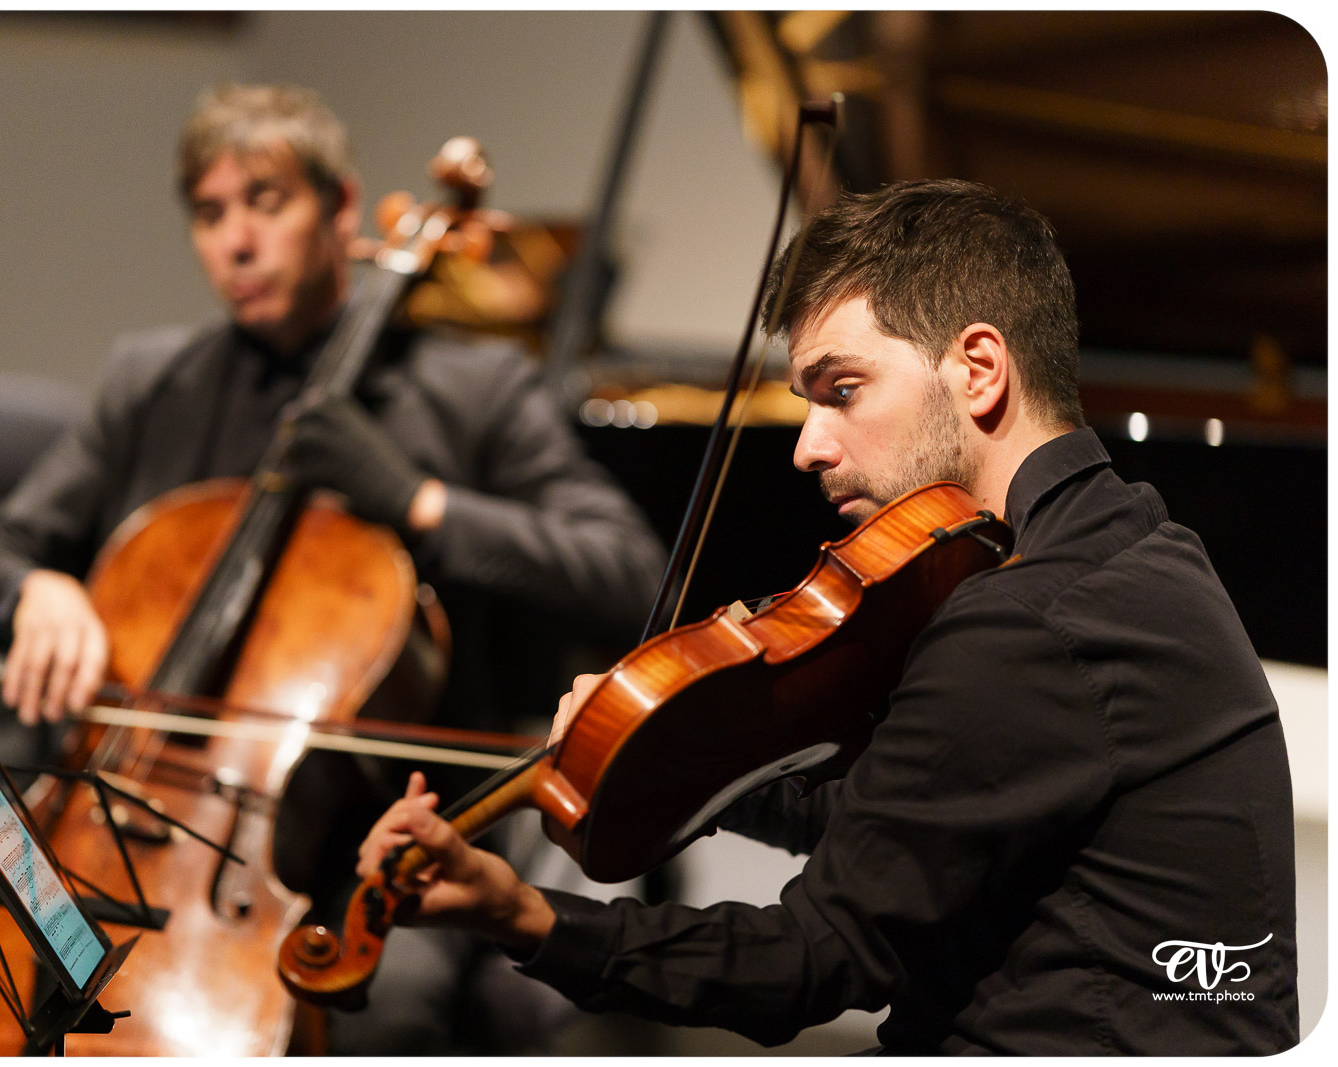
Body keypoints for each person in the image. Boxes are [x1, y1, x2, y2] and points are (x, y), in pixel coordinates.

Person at [356, 179, 1300, 1055]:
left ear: (978, 369)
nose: (808, 447)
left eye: (841, 391)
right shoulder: (1136, 545)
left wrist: (522, 915)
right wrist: (682, 744)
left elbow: (809, 957)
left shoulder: (1030, 621)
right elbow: (905, 813)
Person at [0, 82, 667, 1054]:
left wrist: (420, 503)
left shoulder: (474, 388)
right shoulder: (153, 381)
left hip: (369, 848)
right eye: (209, 213)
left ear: (342, 210)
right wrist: (37, 588)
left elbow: (628, 573)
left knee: (382, 1007)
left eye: (265, 202)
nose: (235, 241)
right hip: (117, 811)